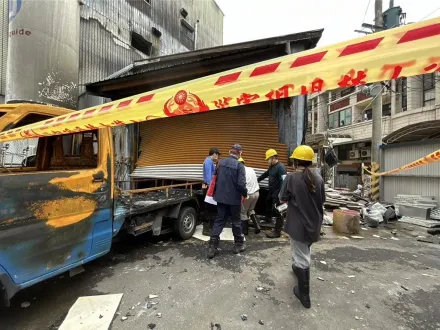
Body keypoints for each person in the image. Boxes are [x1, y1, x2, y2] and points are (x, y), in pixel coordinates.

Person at [279, 145, 325, 309]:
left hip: (298, 224)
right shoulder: (318, 178)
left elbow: (282, 197)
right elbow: (322, 199)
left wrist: (292, 199)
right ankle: (297, 270)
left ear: (295, 160)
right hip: (315, 223)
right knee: (304, 251)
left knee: (302, 257)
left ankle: (304, 295)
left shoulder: (291, 178)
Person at [207, 144, 248, 259]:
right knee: (236, 221)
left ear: (230, 151)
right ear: (240, 153)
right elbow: (241, 184)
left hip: (220, 198)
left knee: (219, 220)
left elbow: (215, 179)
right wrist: (245, 194)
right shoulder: (240, 166)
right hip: (234, 199)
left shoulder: (220, 163)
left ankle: (212, 247)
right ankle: (238, 245)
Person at [257, 149, 287, 238]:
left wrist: (281, 194)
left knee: (278, 211)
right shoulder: (271, 167)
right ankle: (268, 218)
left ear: (273, 158)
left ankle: (277, 231)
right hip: (271, 191)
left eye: (268, 159)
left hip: (278, 192)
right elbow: (266, 174)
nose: (267, 161)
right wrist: (256, 180)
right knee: (268, 202)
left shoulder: (281, 167)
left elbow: (284, 181)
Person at [238, 157, 261, 235]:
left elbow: (240, 184)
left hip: (248, 194)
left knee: (243, 212)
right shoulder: (251, 169)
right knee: (251, 209)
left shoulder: (240, 171)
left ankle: (244, 231)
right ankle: (257, 226)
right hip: (257, 193)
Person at [202, 147, 220, 236]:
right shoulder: (209, 162)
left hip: (209, 187)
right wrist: (211, 188)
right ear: (214, 154)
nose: (218, 157)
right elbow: (209, 176)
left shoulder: (209, 161)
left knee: (209, 208)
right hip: (209, 188)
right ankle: (206, 229)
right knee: (209, 208)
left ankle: (208, 227)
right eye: (217, 155)